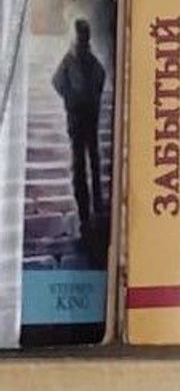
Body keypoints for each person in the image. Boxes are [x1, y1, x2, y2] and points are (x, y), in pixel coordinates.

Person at [52, 18, 106, 242]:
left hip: (87, 117)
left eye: (84, 35)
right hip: (78, 117)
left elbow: (101, 78)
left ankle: (96, 203)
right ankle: (85, 207)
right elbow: (57, 82)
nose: (82, 39)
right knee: (81, 163)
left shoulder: (90, 61)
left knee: (91, 160)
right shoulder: (71, 59)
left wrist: (92, 98)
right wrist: (71, 98)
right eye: (81, 35)